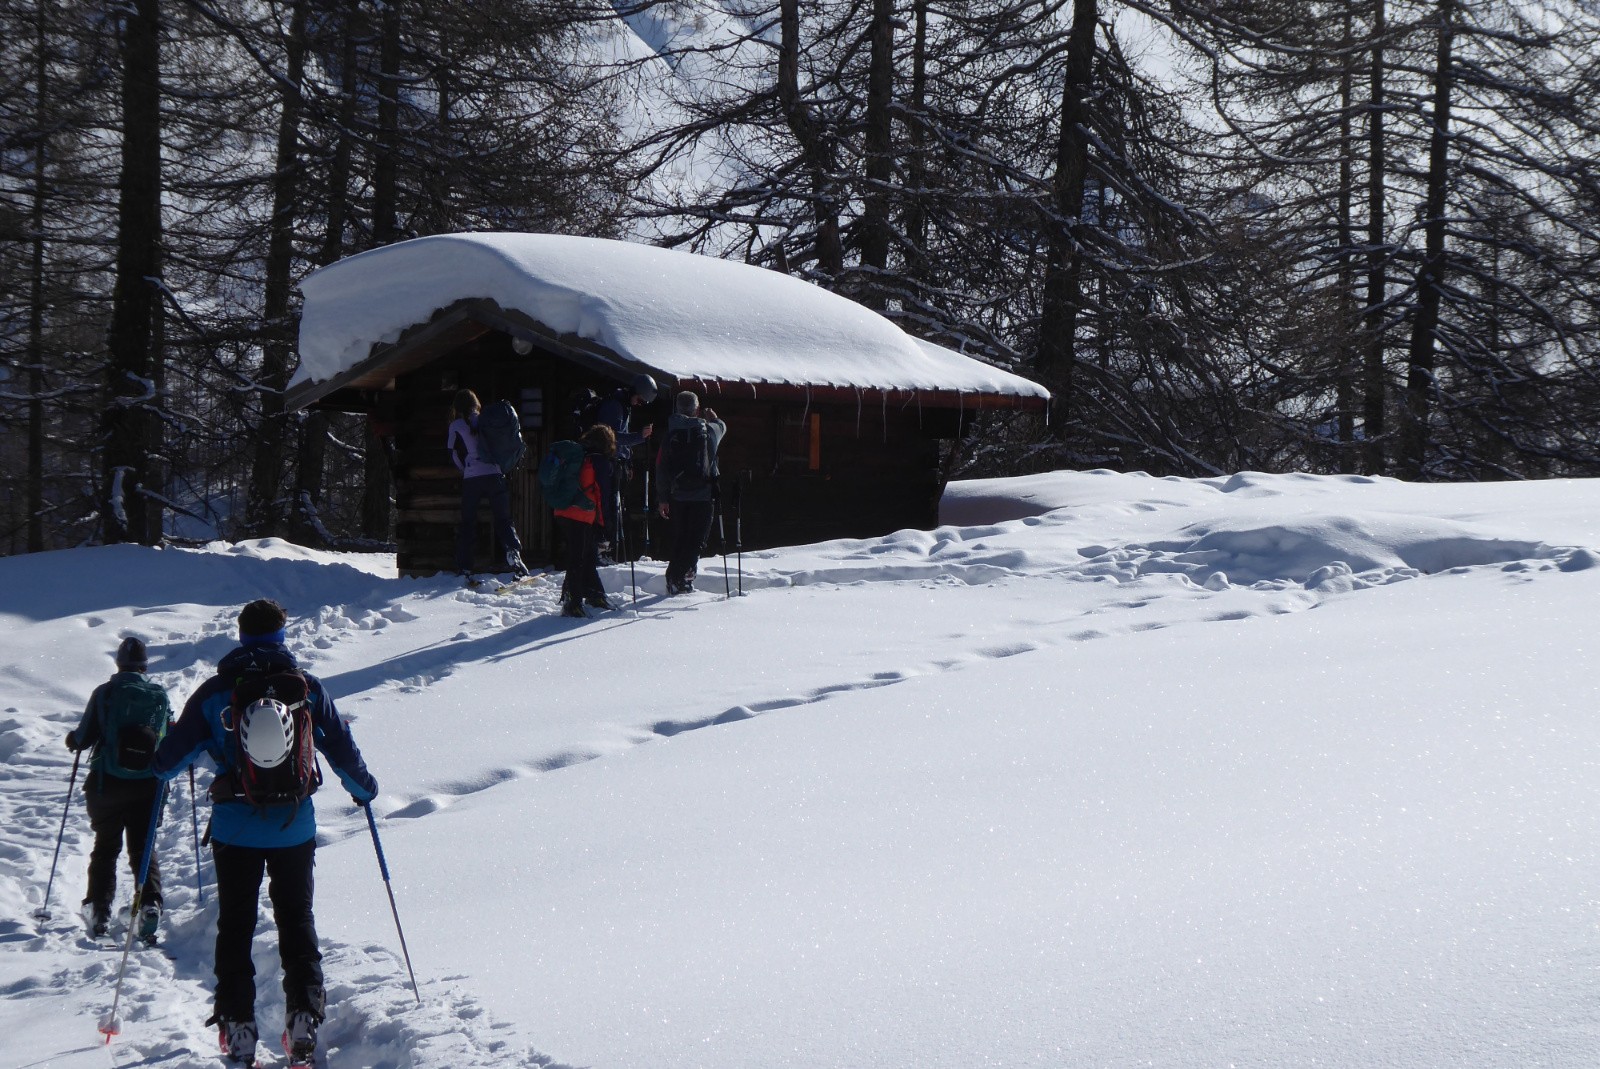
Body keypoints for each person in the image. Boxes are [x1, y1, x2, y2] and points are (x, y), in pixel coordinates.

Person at [152, 599, 379, 1068]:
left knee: (235, 925)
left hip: (235, 829)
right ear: (282, 635)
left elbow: (167, 763)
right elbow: (340, 746)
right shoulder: (306, 688)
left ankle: (238, 1029)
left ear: (240, 636)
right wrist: (365, 790)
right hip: (294, 825)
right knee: (297, 919)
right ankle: (303, 1019)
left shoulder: (216, 692)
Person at [66, 636, 173, 941]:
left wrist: (72, 740)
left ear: (118, 663)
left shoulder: (106, 693)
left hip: (106, 785)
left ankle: (99, 910)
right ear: (145, 664)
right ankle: (150, 905)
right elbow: (166, 738)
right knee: (143, 847)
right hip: (148, 786)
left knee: (106, 847)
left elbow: (84, 737)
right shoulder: (158, 695)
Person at [447, 389, 527, 578]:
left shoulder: (456, 425)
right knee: (503, 520)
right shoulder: (486, 420)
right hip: (494, 474)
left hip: (472, 478)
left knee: (468, 523)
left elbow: (453, 452)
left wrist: (464, 469)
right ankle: (514, 556)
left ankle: (465, 566)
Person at [656, 390, 726, 595]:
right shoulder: (709, 431)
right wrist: (714, 417)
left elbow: (661, 468)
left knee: (681, 537)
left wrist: (662, 499)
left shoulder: (670, 435)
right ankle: (681, 577)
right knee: (696, 540)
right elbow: (722, 426)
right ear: (696, 409)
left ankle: (676, 578)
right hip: (703, 495)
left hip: (677, 496)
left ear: (677, 408)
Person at [553, 423, 617, 618]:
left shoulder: (577, 453)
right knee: (578, 558)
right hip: (582, 514)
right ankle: (573, 601)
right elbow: (602, 495)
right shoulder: (599, 461)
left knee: (584, 554)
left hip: (562, 511)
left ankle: (592, 592)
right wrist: (605, 524)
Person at [592, 374, 657, 562]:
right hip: (606, 464)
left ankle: (607, 551)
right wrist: (639, 437)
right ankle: (602, 552)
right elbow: (612, 436)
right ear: (635, 392)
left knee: (613, 507)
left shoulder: (623, 405)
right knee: (606, 507)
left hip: (615, 463)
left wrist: (627, 460)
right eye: (640, 399)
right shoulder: (614, 406)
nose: (639, 404)